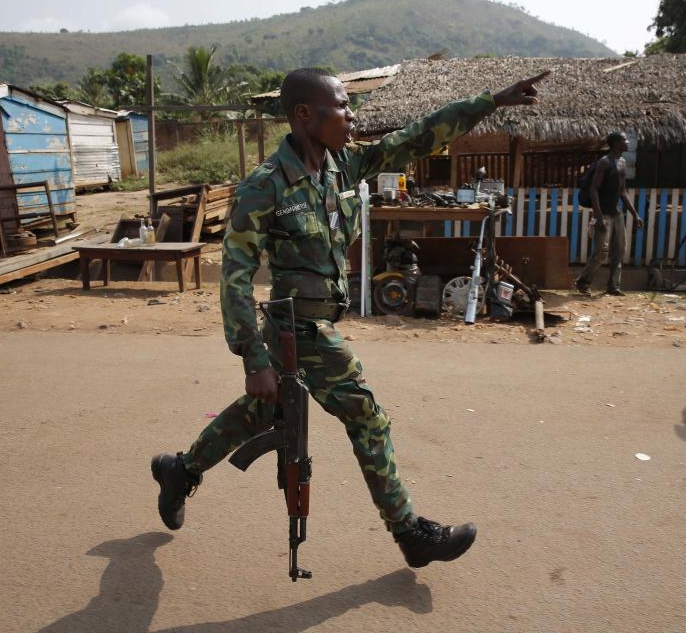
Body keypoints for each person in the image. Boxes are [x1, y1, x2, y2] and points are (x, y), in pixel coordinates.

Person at [152, 67, 551, 568]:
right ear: (304, 114)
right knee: (368, 418)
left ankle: (180, 470)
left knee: (261, 412)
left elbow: (415, 138)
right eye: (341, 106)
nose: (351, 116)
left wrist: (490, 101)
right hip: (298, 329)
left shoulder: (342, 166)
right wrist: (253, 357)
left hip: (315, 325)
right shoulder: (265, 186)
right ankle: (409, 533)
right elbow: (235, 275)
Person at [573, 132, 643, 296]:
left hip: (617, 213)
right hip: (603, 213)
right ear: (617, 143)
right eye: (625, 140)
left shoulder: (623, 162)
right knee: (600, 253)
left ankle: (613, 286)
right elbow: (594, 190)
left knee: (619, 249)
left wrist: (635, 214)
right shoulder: (605, 162)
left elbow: (623, 192)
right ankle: (583, 283)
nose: (627, 142)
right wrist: (598, 216)